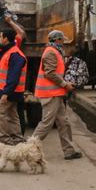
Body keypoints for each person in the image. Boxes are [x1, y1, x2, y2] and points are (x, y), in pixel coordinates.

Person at [33, 30, 82, 160]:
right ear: (57, 40)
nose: (64, 42)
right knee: (46, 123)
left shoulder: (55, 51)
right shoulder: (51, 52)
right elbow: (49, 73)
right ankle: (29, 148)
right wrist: (65, 84)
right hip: (50, 94)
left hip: (56, 93)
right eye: (62, 40)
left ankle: (69, 151)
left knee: (64, 122)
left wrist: (65, 83)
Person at [0, 15, 27, 135]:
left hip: (9, 90)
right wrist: (10, 21)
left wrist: (6, 92)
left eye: (0, 36)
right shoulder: (7, 51)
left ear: (5, 39)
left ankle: (7, 138)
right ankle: (16, 137)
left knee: (4, 114)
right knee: (13, 115)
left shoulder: (11, 53)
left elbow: (13, 75)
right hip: (3, 88)